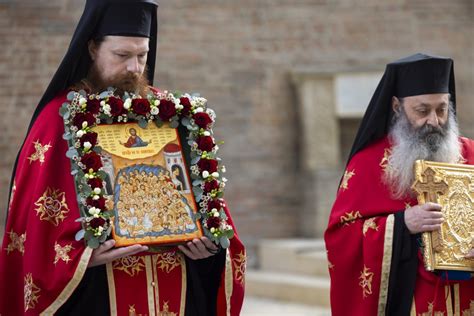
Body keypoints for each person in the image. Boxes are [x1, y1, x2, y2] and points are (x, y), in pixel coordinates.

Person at [0, 1, 245, 315]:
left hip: (174, 287)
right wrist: (83, 257)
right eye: (122, 55)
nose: (134, 68)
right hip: (98, 294)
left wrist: (209, 249)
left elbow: (210, 211)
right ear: (92, 48)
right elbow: (36, 231)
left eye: (142, 55)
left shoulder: (169, 116)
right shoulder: (58, 120)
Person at [324, 53, 474, 315]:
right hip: (411, 302)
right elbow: (340, 239)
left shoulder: (470, 154)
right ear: (396, 106)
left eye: (441, 109)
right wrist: (401, 224)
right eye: (422, 110)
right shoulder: (367, 164)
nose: (434, 121)